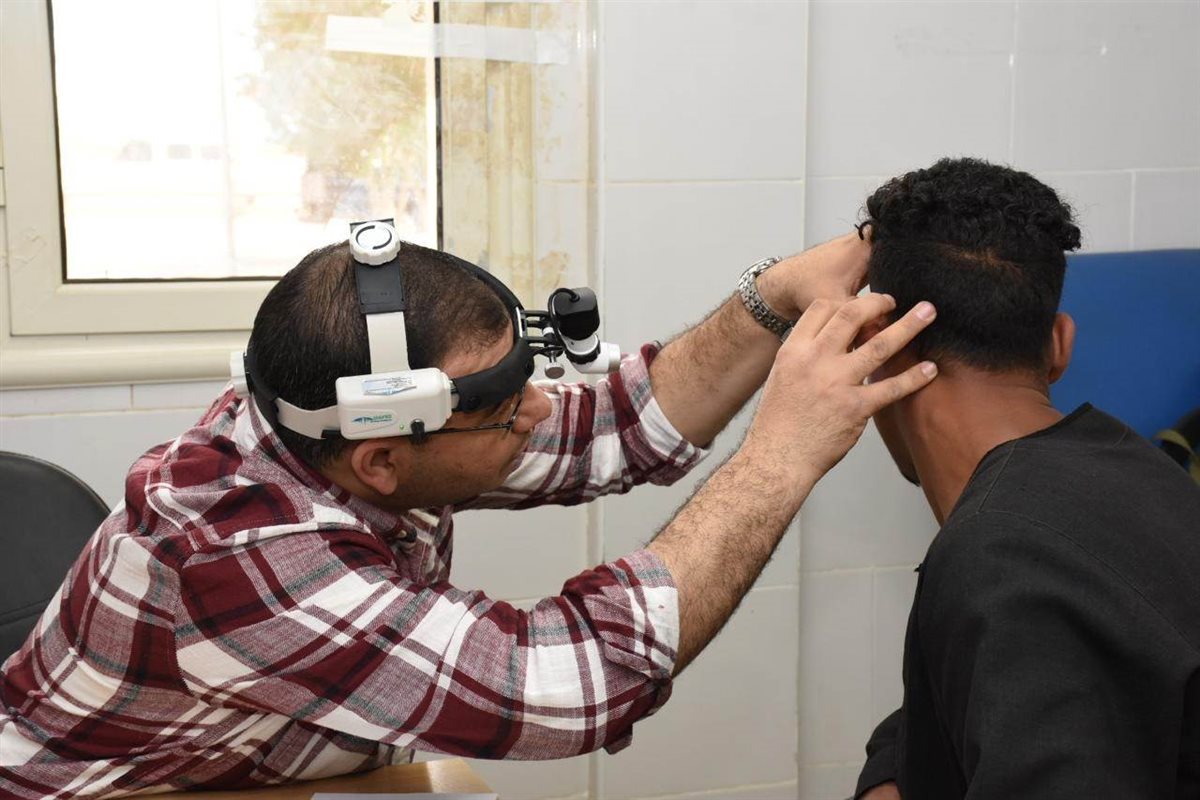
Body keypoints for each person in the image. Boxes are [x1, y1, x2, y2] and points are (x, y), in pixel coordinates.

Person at [0, 229, 937, 797]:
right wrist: (782, 458)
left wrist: (771, 298)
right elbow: (579, 679)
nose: (541, 412)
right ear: (381, 459)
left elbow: (618, 424)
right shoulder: (245, 557)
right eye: (505, 412)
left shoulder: (317, 417)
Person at [852, 158, 1200, 800]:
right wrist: (889, 772)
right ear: (1060, 344)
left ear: (880, 346)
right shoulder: (1142, 471)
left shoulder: (1002, 555)